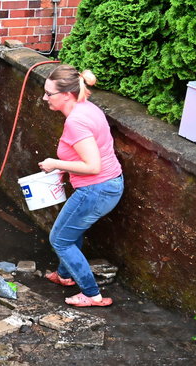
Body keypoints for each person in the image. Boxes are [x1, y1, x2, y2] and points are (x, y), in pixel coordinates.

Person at [37, 64, 124, 307]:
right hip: (106, 185)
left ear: (66, 95)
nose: (45, 98)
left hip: (96, 189)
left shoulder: (76, 122)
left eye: (49, 94)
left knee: (60, 239)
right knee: (70, 232)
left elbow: (93, 165)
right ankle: (65, 276)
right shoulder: (88, 108)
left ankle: (91, 294)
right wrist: (65, 167)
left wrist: (55, 163)